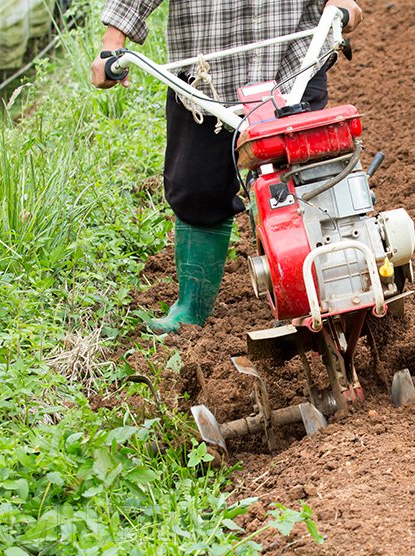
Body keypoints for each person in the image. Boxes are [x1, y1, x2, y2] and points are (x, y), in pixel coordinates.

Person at [90, 0, 362, 333]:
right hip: (207, 76)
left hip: (293, 62)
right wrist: (111, 46)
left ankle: (325, 289)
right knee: (197, 186)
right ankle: (190, 309)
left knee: (307, 178)